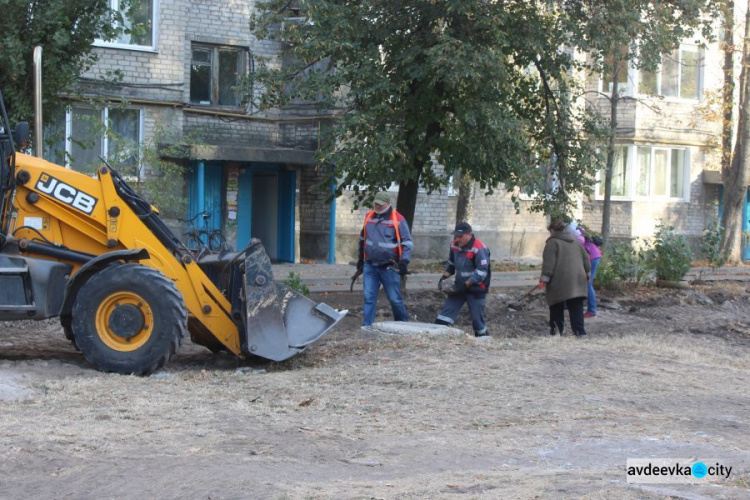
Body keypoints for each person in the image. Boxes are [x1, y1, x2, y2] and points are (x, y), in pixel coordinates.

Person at [356, 191, 413, 326]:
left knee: (394, 299)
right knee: (369, 298)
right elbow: (363, 238)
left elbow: (407, 243)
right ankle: (367, 327)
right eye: (376, 203)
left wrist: (404, 262)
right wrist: (360, 258)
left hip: (390, 267)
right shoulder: (369, 216)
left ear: (388, 204)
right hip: (370, 265)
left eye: (380, 204)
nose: (377, 206)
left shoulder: (398, 219)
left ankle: (403, 326)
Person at [434, 222, 491, 337]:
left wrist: (466, 285)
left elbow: (482, 272)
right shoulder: (454, 245)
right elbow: (451, 263)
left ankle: (484, 339)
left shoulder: (479, 249)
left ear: (469, 235)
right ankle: (438, 337)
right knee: (444, 317)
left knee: (477, 321)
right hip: (460, 287)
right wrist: (444, 277)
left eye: (460, 236)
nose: (457, 239)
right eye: (455, 235)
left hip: (476, 289)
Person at [538, 218, 591, 338]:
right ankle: (580, 332)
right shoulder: (576, 241)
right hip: (578, 279)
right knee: (576, 306)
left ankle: (557, 332)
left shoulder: (552, 242)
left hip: (559, 280)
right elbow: (586, 258)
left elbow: (549, 263)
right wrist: (587, 273)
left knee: (556, 304)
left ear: (552, 230)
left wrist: (544, 279)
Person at [579, 227, 602, 318]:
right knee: (586, 282)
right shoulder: (578, 228)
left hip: (592, 258)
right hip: (594, 255)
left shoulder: (575, 231)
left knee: (588, 283)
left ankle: (592, 310)